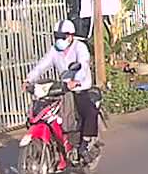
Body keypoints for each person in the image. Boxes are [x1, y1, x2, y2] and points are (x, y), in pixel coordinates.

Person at [25, 19, 99, 158]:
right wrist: (29, 79)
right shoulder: (55, 50)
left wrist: (76, 80)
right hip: (62, 89)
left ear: (71, 36)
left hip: (80, 88)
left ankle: (84, 144)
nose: (59, 39)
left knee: (89, 112)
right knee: (45, 111)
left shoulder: (80, 47)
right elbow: (42, 65)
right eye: (57, 36)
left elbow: (83, 66)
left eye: (62, 36)